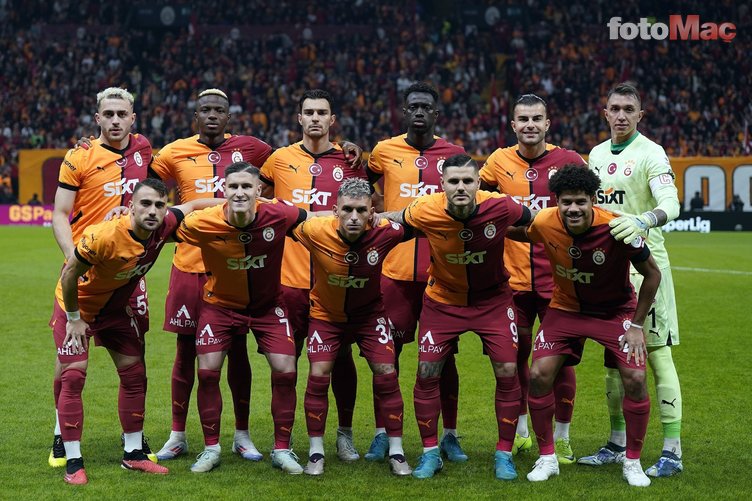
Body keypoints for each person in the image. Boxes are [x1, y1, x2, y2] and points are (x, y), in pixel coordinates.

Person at [52, 178, 219, 484]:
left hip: (114, 309)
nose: (152, 211)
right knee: (73, 376)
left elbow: (195, 205)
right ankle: (73, 462)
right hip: (75, 308)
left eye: (159, 205)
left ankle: (133, 455)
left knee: (134, 374)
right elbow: (69, 274)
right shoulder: (103, 236)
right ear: (130, 207)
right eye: (145, 204)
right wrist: (74, 318)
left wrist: (244, 205)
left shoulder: (165, 225)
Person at [382, 154, 532, 480]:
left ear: (478, 183)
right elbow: (397, 217)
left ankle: (504, 454)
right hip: (443, 302)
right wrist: (368, 217)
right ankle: (430, 453)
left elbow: (537, 220)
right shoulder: (425, 208)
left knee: (508, 370)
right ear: (442, 184)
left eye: (467, 181)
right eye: (454, 181)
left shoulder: (501, 206)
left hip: (493, 302)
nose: (460, 187)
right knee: (427, 372)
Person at [509, 165, 660, 487]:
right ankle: (547, 457)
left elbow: (652, 274)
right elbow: (521, 232)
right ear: (557, 202)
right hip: (565, 310)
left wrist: (636, 326)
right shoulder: (545, 222)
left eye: (580, 201)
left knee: (635, 378)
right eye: (566, 202)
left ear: (593, 199)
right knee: (538, 375)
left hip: (615, 313)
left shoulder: (617, 227)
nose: (573, 209)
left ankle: (632, 462)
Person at [149, 89, 272, 462]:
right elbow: (141, 181)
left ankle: (242, 435)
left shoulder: (252, 148)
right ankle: (177, 435)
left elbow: (288, 165)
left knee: (237, 349)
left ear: (229, 117)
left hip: (234, 265)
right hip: (189, 265)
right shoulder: (174, 152)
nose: (213, 115)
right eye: (206, 110)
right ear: (196, 116)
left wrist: (346, 149)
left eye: (220, 110)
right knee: (185, 350)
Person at [173, 162, 312, 474]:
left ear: (258, 190)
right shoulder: (203, 221)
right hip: (219, 306)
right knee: (207, 372)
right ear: (224, 190)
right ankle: (211, 448)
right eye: (233, 186)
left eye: (246, 186)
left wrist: (374, 218)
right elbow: (161, 225)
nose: (239, 192)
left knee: (286, 370)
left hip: (267, 308)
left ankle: (282, 449)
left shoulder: (279, 213)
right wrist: (124, 214)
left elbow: (317, 220)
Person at [49, 87, 154, 468]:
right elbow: (60, 213)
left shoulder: (144, 149)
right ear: (97, 119)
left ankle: (133, 434)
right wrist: (71, 258)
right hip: (86, 270)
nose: (115, 120)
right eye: (107, 114)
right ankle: (60, 432)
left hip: (129, 274)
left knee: (135, 356)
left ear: (132, 119)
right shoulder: (79, 156)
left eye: (121, 114)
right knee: (70, 360)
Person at [583, 82, 684, 478]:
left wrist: (644, 219)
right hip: (608, 271)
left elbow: (671, 203)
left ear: (640, 115)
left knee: (657, 355)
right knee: (613, 360)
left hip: (646, 270)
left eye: (629, 109)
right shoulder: (596, 154)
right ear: (605, 113)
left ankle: (672, 451)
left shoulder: (651, 153)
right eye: (615, 108)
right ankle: (616, 442)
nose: (621, 115)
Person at [259, 89, 366, 462]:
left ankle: (344, 435)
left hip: (334, 282)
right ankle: (283, 441)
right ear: (299, 118)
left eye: (322, 112)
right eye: (309, 112)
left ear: (332, 119)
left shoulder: (349, 161)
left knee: (341, 359)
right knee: (284, 364)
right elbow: (258, 201)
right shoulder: (279, 160)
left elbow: (366, 209)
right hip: (287, 281)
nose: (316, 118)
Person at [479, 93, 586, 463]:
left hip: (560, 283)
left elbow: (589, 211)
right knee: (516, 358)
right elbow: (478, 203)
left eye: (536, 119)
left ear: (547, 123)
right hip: (512, 283)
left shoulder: (569, 161)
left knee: (561, 362)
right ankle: (522, 434)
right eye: (523, 119)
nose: (530, 125)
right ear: (513, 125)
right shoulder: (497, 162)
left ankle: (563, 438)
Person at [365, 82, 468, 463]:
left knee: (445, 358)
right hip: (393, 272)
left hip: (442, 274)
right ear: (404, 112)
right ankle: (383, 433)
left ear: (436, 114)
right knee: (386, 357)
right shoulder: (383, 151)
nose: (419, 112)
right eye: (413, 107)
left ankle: (450, 435)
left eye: (426, 107)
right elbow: (358, 183)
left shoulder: (454, 154)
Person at [292, 178, 412, 476]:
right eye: (347, 210)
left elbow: (421, 221)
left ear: (372, 212)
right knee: (319, 374)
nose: (354, 217)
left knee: (387, 372)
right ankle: (316, 451)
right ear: (336, 211)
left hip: (370, 317)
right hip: (326, 316)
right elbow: (279, 220)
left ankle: (397, 452)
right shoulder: (313, 230)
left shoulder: (387, 232)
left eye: (361, 210)